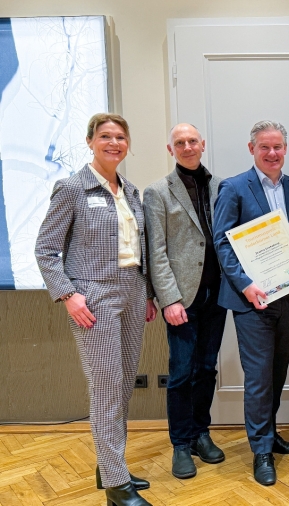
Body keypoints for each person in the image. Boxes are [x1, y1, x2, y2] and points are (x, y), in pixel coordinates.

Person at [35, 113, 157, 506]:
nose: (114, 143)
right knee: (105, 389)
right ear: (90, 142)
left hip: (133, 293)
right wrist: (68, 295)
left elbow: (139, 250)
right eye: (105, 136)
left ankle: (111, 466)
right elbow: (45, 250)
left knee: (122, 386)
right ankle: (117, 487)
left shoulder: (131, 191)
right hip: (94, 298)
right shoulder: (72, 188)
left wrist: (147, 294)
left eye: (120, 136)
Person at [212, 120, 289, 486]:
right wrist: (245, 285)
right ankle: (260, 451)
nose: (272, 153)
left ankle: (270, 435)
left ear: (285, 149)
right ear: (251, 149)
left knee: (277, 372)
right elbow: (222, 242)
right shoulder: (234, 188)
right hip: (252, 301)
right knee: (259, 378)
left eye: (278, 147)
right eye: (264, 147)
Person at [143, 124, 227, 479]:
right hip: (181, 299)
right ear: (171, 149)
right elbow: (156, 251)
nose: (187, 147)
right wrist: (168, 299)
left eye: (193, 141)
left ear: (202, 145)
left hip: (217, 295)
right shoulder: (157, 192)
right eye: (180, 142)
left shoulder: (221, 186)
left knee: (207, 369)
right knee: (181, 373)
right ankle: (180, 443)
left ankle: (200, 434)